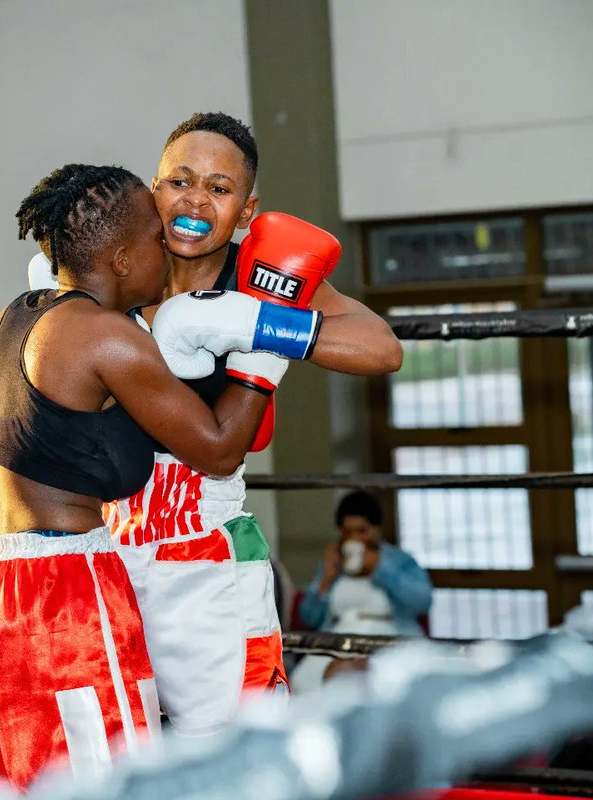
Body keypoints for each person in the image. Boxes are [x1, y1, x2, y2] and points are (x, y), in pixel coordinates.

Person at [0, 163, 325, 794]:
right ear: (122, 258)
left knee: (11, 786)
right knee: (109, 784)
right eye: (157, 238)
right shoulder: (106, 336)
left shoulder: (15, 317)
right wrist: (266, 337)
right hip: (62, 593)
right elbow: (219, 448)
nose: (169, 249)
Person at [89, 112, 402, 733]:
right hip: (106, 545)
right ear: (154, 190)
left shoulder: (261, 275)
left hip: (205, 547)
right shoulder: (121, 271)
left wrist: (259, 324)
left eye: (219, 188)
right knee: (131, 746)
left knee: (233, 743)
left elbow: (381, 348)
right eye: (180, 181)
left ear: (247, 208)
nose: (195, 201)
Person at [292, 490, 433, 692]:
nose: (355, 538)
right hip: (338, 639)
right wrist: (326, 578)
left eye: (362, 531)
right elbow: (308, 617)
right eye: (348, 532)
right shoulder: (333, 564)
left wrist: (380, 568)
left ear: (376, 529)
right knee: (304, 685)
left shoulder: (399, 561)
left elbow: (422, 601)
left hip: (388, 637)